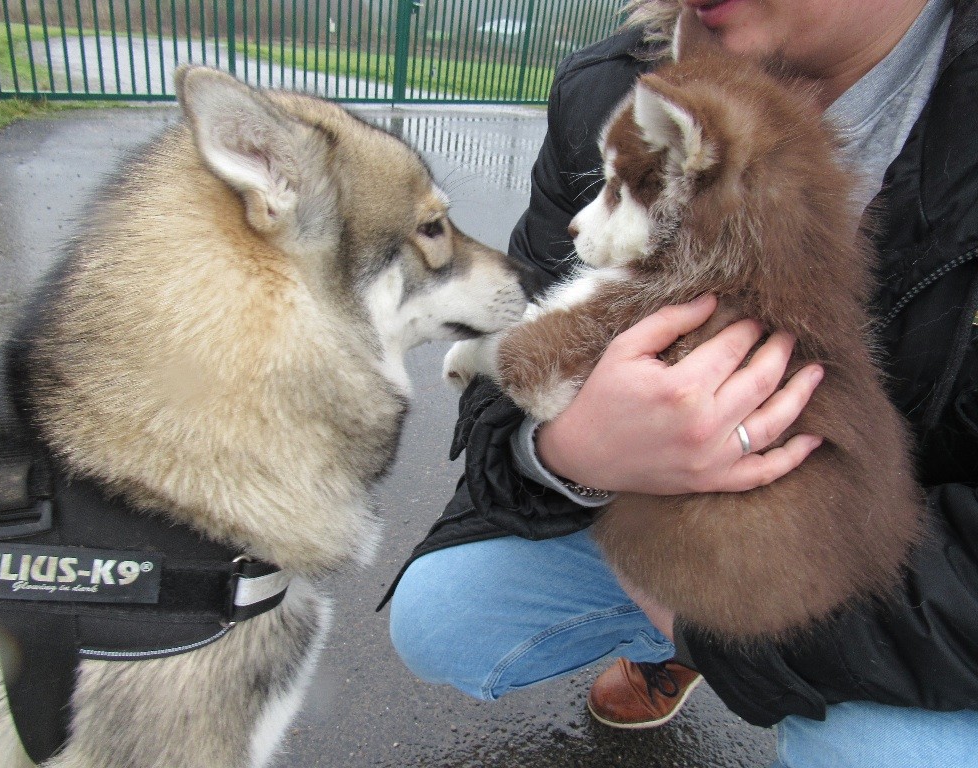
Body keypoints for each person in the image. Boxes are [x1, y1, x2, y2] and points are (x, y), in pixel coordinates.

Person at [384, 0, 978, 765]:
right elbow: (533, 333)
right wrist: (567, 452)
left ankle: (706, 642)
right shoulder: (618, 85)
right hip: (666, 512)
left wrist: (715, 634)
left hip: (884, 569)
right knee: (441, 617)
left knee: (890, 755)